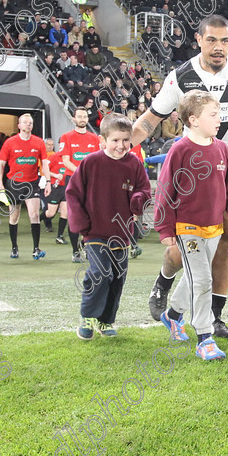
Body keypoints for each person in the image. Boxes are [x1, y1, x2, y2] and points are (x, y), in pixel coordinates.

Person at [129, 15, 228, 337]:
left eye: (225, 41)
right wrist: (120, 145)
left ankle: (214, 316)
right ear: (198, 40)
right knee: (185, 245)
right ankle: (162, 283)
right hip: (193, 172)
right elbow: (151, 120)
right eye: (212, 40)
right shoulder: (180, 77)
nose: (219, 47)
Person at [154, 90, 228, 360]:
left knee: (194, 277)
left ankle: (171, 316)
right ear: (193, 120)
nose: (219, 119)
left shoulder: (222, 149)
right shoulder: (180, 150)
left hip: (214, 227)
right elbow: (165, 191)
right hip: (187, 228)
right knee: (203, 279)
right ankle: (204, 338)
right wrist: (165, 228)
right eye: (213, 115)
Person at [66, 114, 151, 339]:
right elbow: (73, 193)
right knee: (98, 274)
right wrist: (81, 222)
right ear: (103, 140)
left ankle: (106, 320)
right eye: (115, 140)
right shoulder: (90, 162)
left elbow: (145, 190)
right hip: (95, 231)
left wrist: (138, 200)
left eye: (125, 140)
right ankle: (87, 316)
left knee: (116, 276)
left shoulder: (134, 163)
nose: (121, 145)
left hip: (121, 234)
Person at [0, 113, 48, 260]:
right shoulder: (10, 142)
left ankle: (36, 249)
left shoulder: (38, 142)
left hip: (32, 183)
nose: (28, 125)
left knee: (35, 215)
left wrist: (48, 180)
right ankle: (14, 248)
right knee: (14, 216)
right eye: (25, 122)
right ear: (19, 126)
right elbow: (1, 164)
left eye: (30, 123)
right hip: (14, 183)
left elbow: (45, 162)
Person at [57, 107, 100, 261]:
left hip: (90, 182)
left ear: (87, 119)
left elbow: (97, 161)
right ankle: (75, 251)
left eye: (84, 116)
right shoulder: (66, 137)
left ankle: (87, 246)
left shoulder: (94, 138)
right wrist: (80, 172)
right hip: (73, 181)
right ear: (74, 119)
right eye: (79, 116)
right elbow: (65, 161)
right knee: (74, 216)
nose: (82, 119)